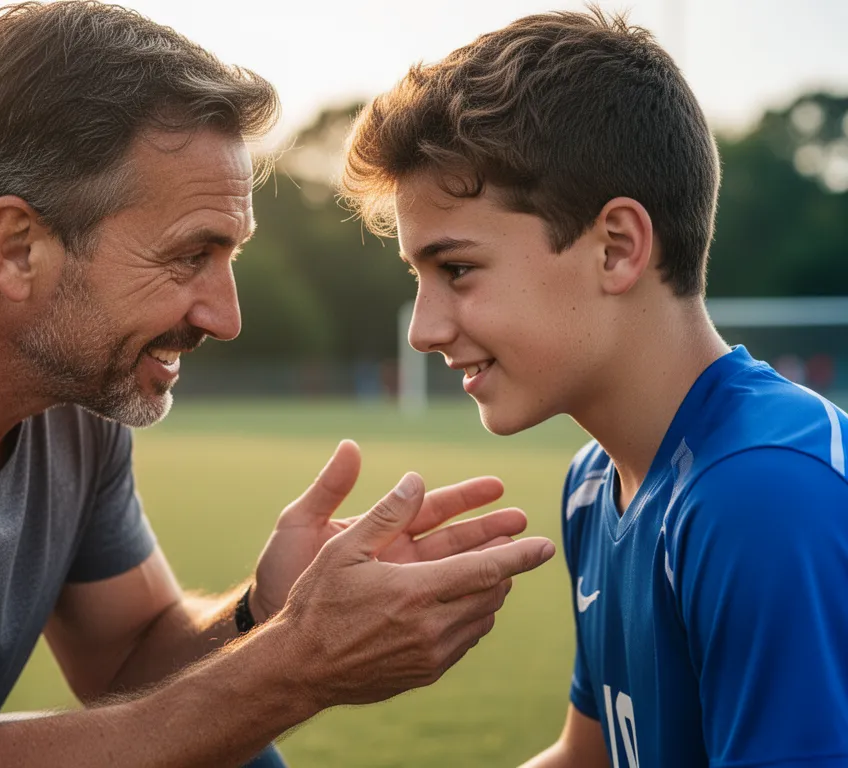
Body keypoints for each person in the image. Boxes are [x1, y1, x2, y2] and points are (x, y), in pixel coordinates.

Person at [0, 3, 558, 766]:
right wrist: (299, 658)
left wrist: (267, 612)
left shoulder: (71, 384)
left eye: (229, 256)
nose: (227, 316)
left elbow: (129, 655)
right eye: (188, 256)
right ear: (17, 249)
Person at [340, 8, 848, 767]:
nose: (424, 329)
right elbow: (591, 756)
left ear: (616, 249)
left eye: (457, 270)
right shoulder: (594, 483)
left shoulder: (762, 493)